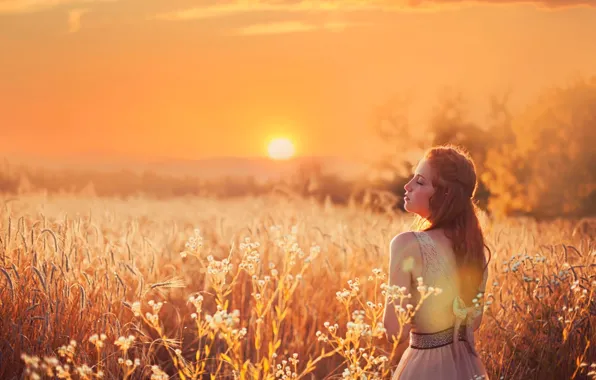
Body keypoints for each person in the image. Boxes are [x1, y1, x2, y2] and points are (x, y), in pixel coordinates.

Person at [382, 144, 491, 380]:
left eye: (420, 181)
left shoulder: (406, 244)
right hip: (467, 367)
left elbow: (394, 331)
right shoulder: (475, 250)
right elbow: (474, 322)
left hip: (423, 367)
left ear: (445, 194)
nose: (407, 186)